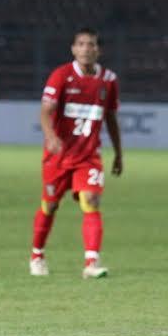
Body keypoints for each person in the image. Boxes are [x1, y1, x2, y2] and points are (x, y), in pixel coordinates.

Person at [30, 27, 123, 279]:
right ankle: (37, 254)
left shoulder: (108, 80)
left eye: (91, 44)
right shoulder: (61, 76)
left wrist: (118, 153)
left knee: (91, 201)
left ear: (98, 49)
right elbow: (46, 111)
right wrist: (50, 137)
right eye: (81, 44)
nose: (86, 48)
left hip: (89, 155)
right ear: (73, 48)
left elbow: (111, 118)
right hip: (58, 156)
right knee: (49, 206)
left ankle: (91, 263)